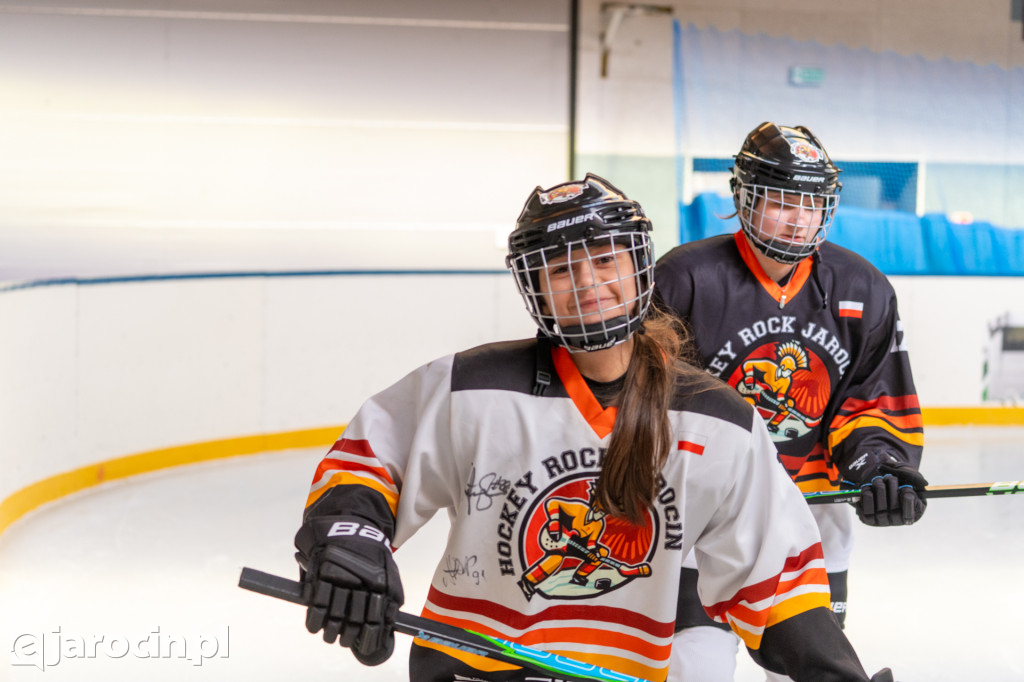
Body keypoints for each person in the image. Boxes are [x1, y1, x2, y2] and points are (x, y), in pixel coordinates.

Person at [292, 173, 893, 681]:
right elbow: (369, 459)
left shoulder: (719, 420)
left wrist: (835, 674)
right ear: (535, 289)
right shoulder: (469, 387)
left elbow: (776, 578)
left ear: (638, 268)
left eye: (604, 259)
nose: (586, 284)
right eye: (559, 268)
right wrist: (350, 540)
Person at [655, 122, 927, 681]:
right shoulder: (684, 279)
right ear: (743, 197)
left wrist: (878, 468)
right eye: (781, 200)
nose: (799, 217)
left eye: (811, 202)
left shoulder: (862, 288)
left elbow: (871, 399)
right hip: (701, 521)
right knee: (693, 670)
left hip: (811, 520)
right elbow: (647, 401)